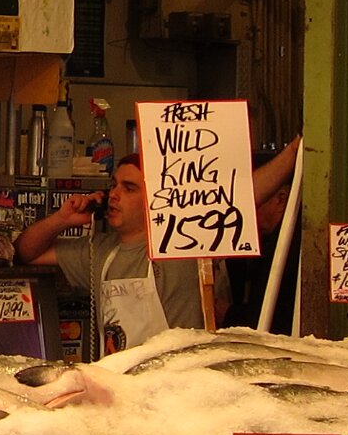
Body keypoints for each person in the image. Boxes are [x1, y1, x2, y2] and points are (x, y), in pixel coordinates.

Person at [16, 139, 305, 353]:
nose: (114, 194)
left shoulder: (183, 241)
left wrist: (294, 152)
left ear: (155, 198)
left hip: (178, 391)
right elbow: (27, 252)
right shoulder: (99, 251)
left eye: (129, 188)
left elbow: (241, 198)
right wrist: (61, 219)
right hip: (119, 390)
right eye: (114, 185)